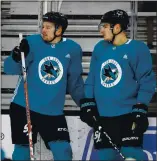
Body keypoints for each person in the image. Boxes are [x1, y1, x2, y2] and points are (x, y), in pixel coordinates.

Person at [4, 11, 84, 160]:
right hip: (24, 106)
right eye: (43, 26)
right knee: (22, 151)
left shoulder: (73, 49)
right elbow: (9, 69)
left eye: (48, 27)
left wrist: (85, 103)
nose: (43, 30)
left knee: (64, 151)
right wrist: (15, 57)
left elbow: (75, 83)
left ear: (59, 30)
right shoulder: (31, 42)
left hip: (53, 111)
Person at [80, 9, 156, 160]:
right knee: (104, 157)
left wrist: (140, 108)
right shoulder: (100, 48)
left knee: (133, 155)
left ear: (117, 27)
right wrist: (87, 103)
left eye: (105, 26)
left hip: (128, 116)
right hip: (103, 117)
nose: (101, 31)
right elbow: (92, 80)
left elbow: (146, 81)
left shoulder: (138, 48)